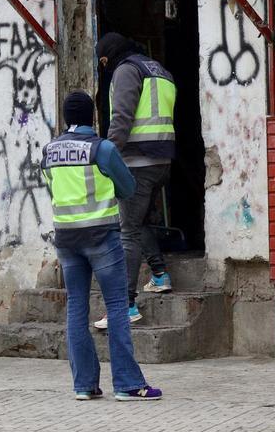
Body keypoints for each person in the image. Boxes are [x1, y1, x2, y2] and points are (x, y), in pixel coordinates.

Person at [44, 91, 161, 401]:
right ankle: (126, 383)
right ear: (93, 117)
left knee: (77, 308)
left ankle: (84, 384)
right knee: (117, 307)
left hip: (67, 240)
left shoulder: (49, 151)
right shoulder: (103, 149)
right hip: (101, 238)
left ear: (67, 118)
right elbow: (128, 188)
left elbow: (52, 190)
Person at [93, 32, 176, 330]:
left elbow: (122, 118)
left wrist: (107, 156)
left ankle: (124, 306)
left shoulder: (126, 70)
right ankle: (159, 275)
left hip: (138, 162)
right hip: (162, 160)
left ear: (108, 56)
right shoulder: (159, 70)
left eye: (103, 61)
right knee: (138, 222)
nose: (104, 67)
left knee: (125, 232)